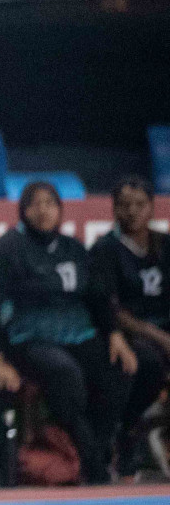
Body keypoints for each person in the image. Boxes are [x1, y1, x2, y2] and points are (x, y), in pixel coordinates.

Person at [0, 181, 153, 483]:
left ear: (60, 210)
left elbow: (97, 297)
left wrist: (114, 335)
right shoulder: (5, 250)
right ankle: (91, 457)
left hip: (77, 334)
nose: (44, 210)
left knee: (127, 365)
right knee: (64, 372)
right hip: (29, 338)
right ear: (23, 210)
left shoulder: (74, 249)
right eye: (36, 203)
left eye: (50, 203)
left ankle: (99, 446)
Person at [89, 175, 170, 475]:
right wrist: (161, 338)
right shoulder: (105, 250)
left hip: (163, 329)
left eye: (139, 204)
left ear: (152, 207)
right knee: (145, 363)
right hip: (129, 333)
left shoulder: (165, 245)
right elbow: (110, 307)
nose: (132, 211)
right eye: (124, 205)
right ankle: (128, 430)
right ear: (114, 210)